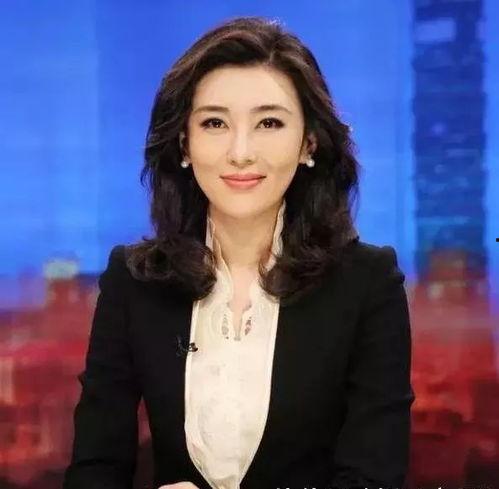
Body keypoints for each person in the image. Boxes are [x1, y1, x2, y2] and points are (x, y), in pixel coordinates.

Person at [63, 15, 415, 489]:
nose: (241, 152)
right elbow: (93, 470)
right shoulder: (134, 280)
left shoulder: (368, 283)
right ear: (184, 143)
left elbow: (373, 479)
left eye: (269, 122)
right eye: (215, 123)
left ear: (308, 142)